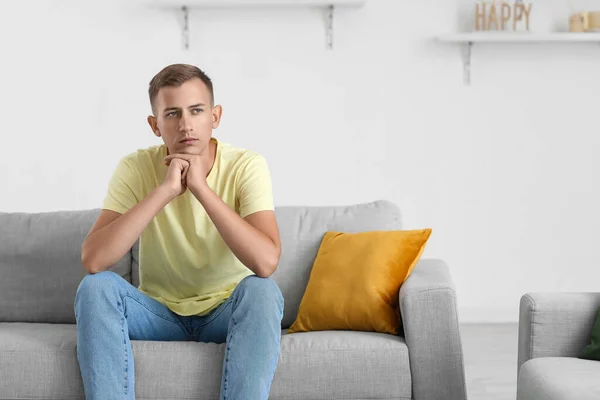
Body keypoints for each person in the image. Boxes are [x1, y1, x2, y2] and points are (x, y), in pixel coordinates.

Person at [74, 63, 284, 400]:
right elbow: (94, 259)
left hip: (225, 312)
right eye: (172, 114)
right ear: (155, 125)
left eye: (196, 111)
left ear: (215, 117)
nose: (186, 125)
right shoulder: (135, 167)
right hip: (158, 313)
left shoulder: (247, 165)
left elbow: (266, 262)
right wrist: (167, 190)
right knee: (95, 288)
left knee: (263, 291)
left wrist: (201, 188)